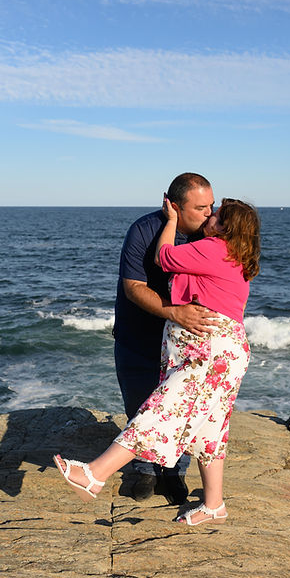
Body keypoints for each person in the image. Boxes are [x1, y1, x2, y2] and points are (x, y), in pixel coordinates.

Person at [55, 197, 261, 525]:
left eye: (217, 214)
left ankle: (95, 473)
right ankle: (214, 505)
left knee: (161, 411)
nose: (210, 215)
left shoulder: (214, 247)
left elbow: (165, 258)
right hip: (221, 349)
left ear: (227, 228)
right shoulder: (232, 255)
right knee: (211, 429)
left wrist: (170, 221)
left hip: (209, 352)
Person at [112, 173, 219, 503]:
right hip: (137, 333)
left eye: (211, 206)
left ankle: (174, 471)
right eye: (200, 207)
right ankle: (145, 468)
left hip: (187, 339)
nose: (208, 214)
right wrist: (175, 311)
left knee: (185, 406)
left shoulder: (211, 236)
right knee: (141, 402)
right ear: (174, 206)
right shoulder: (143, 230)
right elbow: (133, 287)